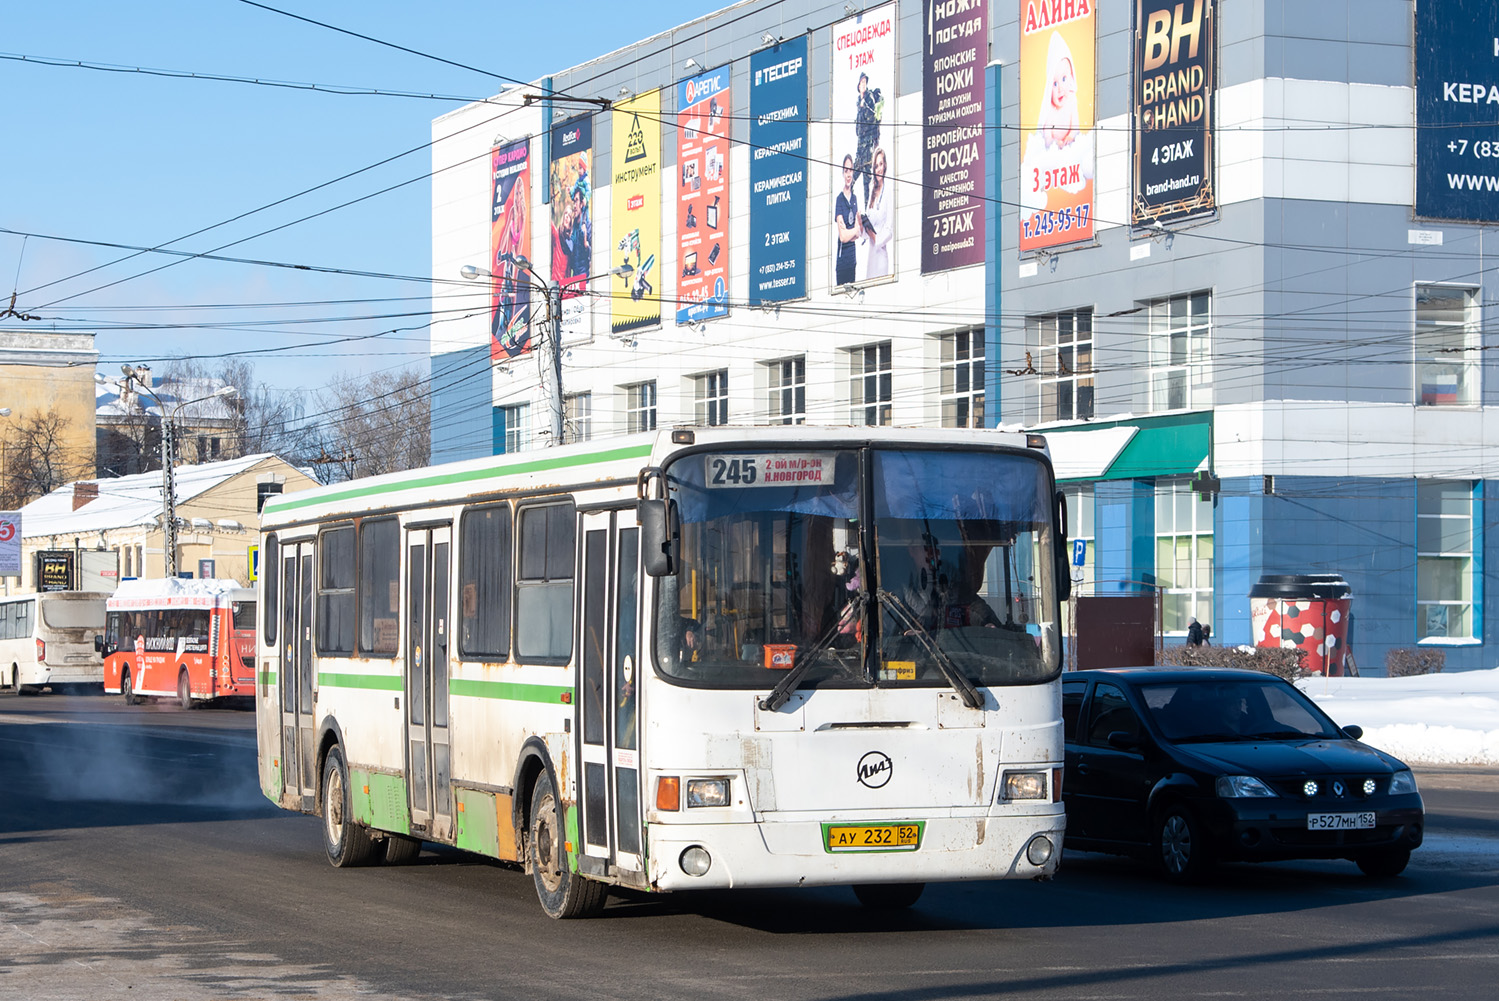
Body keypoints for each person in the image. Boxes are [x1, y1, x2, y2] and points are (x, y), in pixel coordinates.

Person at [857, 148, 892, 281]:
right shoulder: (872, 189)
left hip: (881, 254)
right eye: (876, 166)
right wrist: (861, 224)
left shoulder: (889, 189)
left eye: (881, 164)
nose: (878, 169)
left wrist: (875, 237)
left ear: (885, 165)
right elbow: (866, 232)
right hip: (871, 255)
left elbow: (889, 230)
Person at [854, 72, 881, 203]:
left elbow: (872, 118)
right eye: (861, 82)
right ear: (858, 86)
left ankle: (867, 209)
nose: (863, 85)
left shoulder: (869, 97)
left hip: (868, 145)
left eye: (865, 82)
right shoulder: (858, 101)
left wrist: (865, 107)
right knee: (852, 176)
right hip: (860, 146)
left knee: (867, 179)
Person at [834, 155, 859, 286]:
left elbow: (858, 234)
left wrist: (854, 230)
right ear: (843, 173)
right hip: (842, 260)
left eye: (850, 170)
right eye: (846, 171)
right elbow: (843, 237)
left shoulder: (854, 199)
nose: (848, 174)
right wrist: (854, 230)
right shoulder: (839, 199)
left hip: (852, 259)